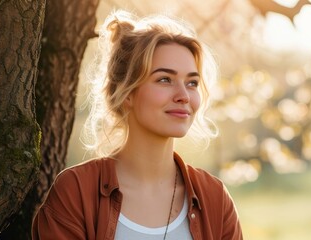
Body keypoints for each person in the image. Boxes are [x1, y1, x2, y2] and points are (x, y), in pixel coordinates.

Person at [32, 10, 243, 240]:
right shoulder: (76, 191)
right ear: (126, 93)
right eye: (165, 79)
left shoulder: (214, 198)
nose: (184, 96)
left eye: (192, 83)